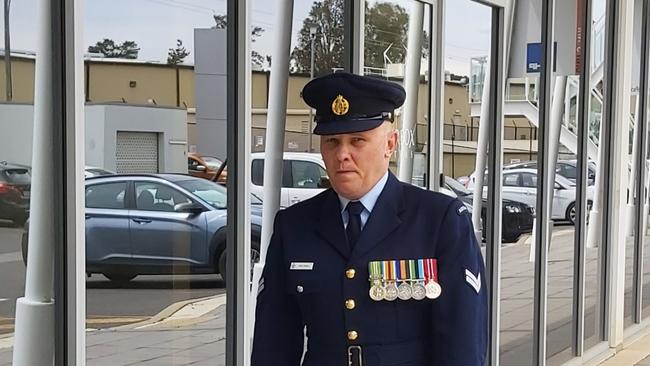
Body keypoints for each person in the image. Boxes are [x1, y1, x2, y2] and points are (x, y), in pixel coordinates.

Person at [251, 72, 487, 366]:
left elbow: (461, 344)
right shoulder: (295, 225)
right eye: (332, 142)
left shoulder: (439, 221)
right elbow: (274, 341)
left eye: (358, 140)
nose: (342, 155)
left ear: (390, 144)